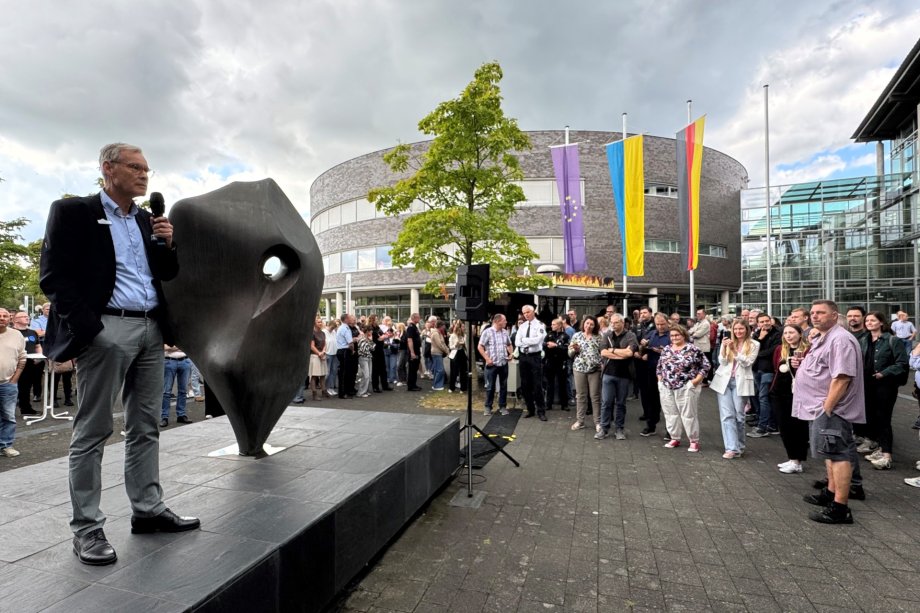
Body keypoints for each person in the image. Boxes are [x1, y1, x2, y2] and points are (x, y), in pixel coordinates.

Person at [39, 142, 199, 566]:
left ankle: (147, 509)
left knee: (146, 425)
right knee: (93, 430)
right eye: (135, 167)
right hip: (106, 328)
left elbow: (166, 273)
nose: (144, 175)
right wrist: (91, 330)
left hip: (150, 329)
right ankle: (87, 528)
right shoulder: (73, 212)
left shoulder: (146, 219)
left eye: (147, 169)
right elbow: (53, 277)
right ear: (108, 169)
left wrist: (168, 244)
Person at [795, 300, 865, 524]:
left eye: (821, 313)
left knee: (838, 454)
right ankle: (830, 492)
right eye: (813, 313)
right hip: (818, 407)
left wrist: (827, 408)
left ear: (834, 315)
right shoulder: (824, 338)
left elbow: (842, 377)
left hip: (831, 409)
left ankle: (840, 507)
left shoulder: (840, 340)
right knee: (829, 452)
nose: (815, 316)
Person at [858, 311, 908, 470]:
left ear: (881, 322)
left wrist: (884, 373)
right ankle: (878, 447)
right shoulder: (863, 340)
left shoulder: (892, 340)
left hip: (885, 385)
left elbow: (902, 363)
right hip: (867, 384)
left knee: (883, 418)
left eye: (873, 320)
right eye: (867, 321)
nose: (869, 323)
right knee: (871, 416)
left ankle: (887, 455)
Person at [710, 318, 758, 459]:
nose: (738, 331)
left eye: (741, 329)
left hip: (740, 382)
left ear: (747, 330)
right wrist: (725, 348)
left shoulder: (754, 344)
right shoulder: (728, 342)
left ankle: (739, 446)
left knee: (739, 416)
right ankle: (731, 448)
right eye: (735, 329)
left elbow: (747, 363)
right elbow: (722, 362)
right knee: (727, 416)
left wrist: (734, 351)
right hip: (724, 381)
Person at [657, 325, 710, 452]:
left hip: (686, 386)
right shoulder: (667, 349)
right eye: (672, 335)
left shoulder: (693, 349)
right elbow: (659, 366)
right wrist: (659, 379)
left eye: (677, 335)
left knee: (688, 414)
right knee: (670, 413)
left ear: (683, 335)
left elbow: (705, 365)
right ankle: (674, 437)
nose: (674, 338)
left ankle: (693, 440)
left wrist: (695, 381)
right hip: (666, 386)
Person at [771, 324, 810, 473]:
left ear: (800, 334)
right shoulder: (780, 349)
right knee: (784, 426)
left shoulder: (807, 350)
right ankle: (791, 457)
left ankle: (797, 460)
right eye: (786, 333)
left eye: (792, 332)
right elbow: (776, 368)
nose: (788, 335)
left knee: (798, 427)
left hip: (798, 393)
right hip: (779, 392)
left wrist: (798, 365)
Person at [596, 314, 638, 440]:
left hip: (624, 375)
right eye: (611, 323)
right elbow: (603, 352)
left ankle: (619, 428)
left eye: (616, 323)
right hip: (608, 373)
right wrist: (621, 354)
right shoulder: (607, 335)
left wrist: (612, 350)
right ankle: (604, 428)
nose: (613, 325)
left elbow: (629, 353)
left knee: (621, 403)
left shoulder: (630, 335)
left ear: (622, 323)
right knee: (606, 402)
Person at [637, 313, 670, 437]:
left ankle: (670, 430)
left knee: (668, 401)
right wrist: (643, 345)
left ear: (667, 322)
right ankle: (651, 425)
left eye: (662, 324)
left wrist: (664, 352)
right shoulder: (651, 334)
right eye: (658, 324)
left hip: (668, 372)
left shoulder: (672, 335)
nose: (660, 327)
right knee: (652, 398)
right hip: (651, 370)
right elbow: (641, 350)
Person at [0, 308, 26, 458]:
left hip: (7, 383)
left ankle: (6, 445)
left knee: (8, 417)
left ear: (9, 319)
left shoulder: (16, 335)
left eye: (5, 316)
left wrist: (15, 379)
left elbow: (22, 358)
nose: (2, 318)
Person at [749, 313, 781, 437]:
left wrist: (757, 353)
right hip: (757, 368)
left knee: (764, 398)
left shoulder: (777, 333)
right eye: (762, 322)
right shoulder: (757, 334)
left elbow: (773, 351)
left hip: (769, 370)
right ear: (758, 324)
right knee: (758, 396)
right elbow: (751, 350)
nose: (765, 323)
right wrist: (760, 338)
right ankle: (768, 423)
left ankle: (763, 427)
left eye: (767, 321)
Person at [569, 316, 602, 431]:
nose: (588, 326)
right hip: (579, 369)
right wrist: (575, 350)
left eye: (591, 324)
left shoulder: (598, 337)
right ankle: (580, 421)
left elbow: (602, 352)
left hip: (595, 370)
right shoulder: (576, 336)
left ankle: (598, 422)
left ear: (595, 326)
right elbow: (570, 354)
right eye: (587, 323)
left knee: (595, 396)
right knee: (580, 396)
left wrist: (602, 364)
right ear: (583, 324)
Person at [515, 305, 547, 420]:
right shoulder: (522, 326)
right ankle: (530, 409)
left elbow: (538, 340)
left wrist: (524, 340)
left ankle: (541, 411)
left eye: (528, 312)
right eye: (524, 313)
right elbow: (517, 342)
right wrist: (527, 341)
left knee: (537, 385)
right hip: (523, 357)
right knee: (525, 384)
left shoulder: (540, 325)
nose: (526, 315)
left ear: (533, 312)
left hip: (534, 357)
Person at [478, 314, 512, 416]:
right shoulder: (487, 332)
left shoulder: (505, 332)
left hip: (503, 363)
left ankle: (502, 406)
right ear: (497, 321)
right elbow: (480, 346)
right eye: (504, 320)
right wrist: (487, 359)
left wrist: (511, 354)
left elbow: (509, 344)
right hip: (492, 364)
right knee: (490, 386)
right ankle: (488, 407)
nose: (506, 322)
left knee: (504, 386)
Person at [11, 311, 42, 417]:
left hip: (31, 363)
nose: (27, 318)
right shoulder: (11, 332)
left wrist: (39, 357)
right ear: (15, 320)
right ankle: (8, 410)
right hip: (15, 364)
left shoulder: (32, 332)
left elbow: (37, 346)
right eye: (23, 316)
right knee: (11, 387)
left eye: (27, 316)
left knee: (26, 387)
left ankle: (26, 408)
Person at [160, 344, 192, 427]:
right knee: (166, 392)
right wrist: (180, 347)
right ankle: (164, 417)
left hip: (185, 360)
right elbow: (164, 347)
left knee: (183, 390)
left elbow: (189, 345)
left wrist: (171, 348)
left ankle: (181, 414)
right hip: (169, 361)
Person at [542, 318, 569, 411]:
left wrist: (556, 346)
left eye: (554, 324)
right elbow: (543, 345)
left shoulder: (565, 336)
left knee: (562, 383)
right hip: (550, 361)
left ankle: (564, 404)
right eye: (552, 324)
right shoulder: (549, 334)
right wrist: (547, 345)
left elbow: (566, 349)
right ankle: (548, 404)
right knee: (549, 384)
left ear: (560, 325)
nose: (552, 326)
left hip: (561, 362)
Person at [335, 314, 357, 399]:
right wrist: (352, 350)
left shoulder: (342, 327)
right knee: (344, 373)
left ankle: (345, 391)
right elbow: (350, 343)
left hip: (341, 350)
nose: (351, 319)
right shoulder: (346, 328)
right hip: (344, 351)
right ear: (346, 319)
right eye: (349, 318)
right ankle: (342, 393)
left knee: (345, 372)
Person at [308, 315, 329, 400]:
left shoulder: (323, 333)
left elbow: (325, 343)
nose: (320, 323)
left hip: (322, 355)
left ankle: (324, 391)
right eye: (318, 322)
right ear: (314, 323)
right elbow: (312, 346)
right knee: (314, 376)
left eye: (321, 322)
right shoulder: (312, 333)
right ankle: (314, 393)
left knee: (323, 374)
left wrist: (323, 351)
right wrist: (319, 353)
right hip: (315, 356)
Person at [428, 317, 449, 391]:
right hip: (436, 353)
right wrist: (446, 351)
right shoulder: (436, 333)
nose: (444, 327)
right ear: (440, 326)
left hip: (438, 353)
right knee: (440, 370)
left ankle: (437, 385)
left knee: (438, 369)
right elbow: (440, 344)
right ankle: (437, 385)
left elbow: (443, 343)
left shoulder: (438, 333)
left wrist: (447, 350)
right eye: (443, 326)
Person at [448, 321, 469, 394]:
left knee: (463, 371)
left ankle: (463, 388)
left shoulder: (464, 335)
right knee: (454, 371)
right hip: (455, 353)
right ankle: (451, 387)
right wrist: (456, 345)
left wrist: (464, 345)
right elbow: (450, 347)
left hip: (462, 353)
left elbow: (466, 346)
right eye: (462, 327)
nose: (463, 328)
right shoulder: (452, 336)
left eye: (463, 327)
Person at [405, 313, 423, 391]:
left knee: (415, 368)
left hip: (417, 350)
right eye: (418, 317)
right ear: (414, 318)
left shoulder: (415, 327)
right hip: (413, 351)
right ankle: (411, 386)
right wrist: (412, 352)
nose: (419, 319)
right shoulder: (411, 327)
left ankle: (414, 384)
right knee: (412, 368)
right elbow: (409, 340)